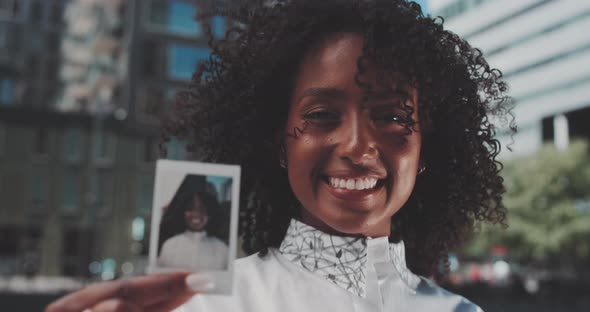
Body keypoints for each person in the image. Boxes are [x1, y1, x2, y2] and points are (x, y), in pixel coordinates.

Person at [46, 0, 515, 311]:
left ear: (426, 147)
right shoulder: (203, 306)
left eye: (392, 117)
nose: (356, 146)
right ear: (278, 143)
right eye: (322, 114)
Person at [158, 186, 229, 271]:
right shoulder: (169, 245)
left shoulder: (222, 249)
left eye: (202, 209)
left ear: (210, 214)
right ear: (182, 212)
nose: (196, 214)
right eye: (190, 208)